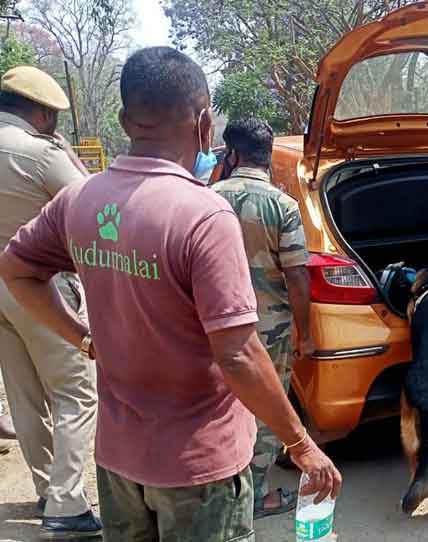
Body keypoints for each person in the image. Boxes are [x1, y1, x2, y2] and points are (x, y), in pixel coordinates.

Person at [0, 46, 341, 542]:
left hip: (118, 460)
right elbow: (240, 353)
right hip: (199, 467)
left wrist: (83, 339)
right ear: (205, 124)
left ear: (124, 118)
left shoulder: (82, 199)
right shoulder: (203, 216)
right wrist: (300, 442)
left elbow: (16, 269)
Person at [0, 65, 100, 538]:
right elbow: (94, 204)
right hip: (36, 283)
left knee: (23, 393)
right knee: (75, 390)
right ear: (40, 113)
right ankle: (66, 504)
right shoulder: (39, 154)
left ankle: (47, 488)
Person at [213, 118, 314, 518]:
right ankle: (255, 495)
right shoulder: (283, 205)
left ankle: (220, 487)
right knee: (269, 407)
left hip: (216, 327)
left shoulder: (208, 197)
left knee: (221, 404)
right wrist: (304, 334)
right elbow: (297, 275)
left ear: (232, 154)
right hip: (269, 331)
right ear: (267, 157)